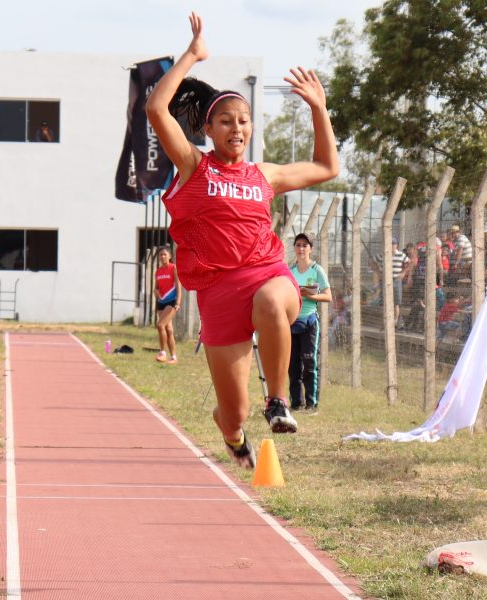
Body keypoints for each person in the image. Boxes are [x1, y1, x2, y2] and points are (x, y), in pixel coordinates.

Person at [145, 13, 338, 467]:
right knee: (234, 412)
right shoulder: (194, 166)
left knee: (273, 301)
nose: (237, 129)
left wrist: (318, 108)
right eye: (227, 122)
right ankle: (233, 434)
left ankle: (278, 400)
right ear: (208, 131)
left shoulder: (264, 175)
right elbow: (156, 109)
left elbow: (327, 167)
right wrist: (192, 55)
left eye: (245, 121)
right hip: (218, 293)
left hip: (266, 273)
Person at [288, 233, 330, 410]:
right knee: (292, 365)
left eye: (305, 245)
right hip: (292, 322)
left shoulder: (317, 270)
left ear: (311, 248)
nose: (301, 248)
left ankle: (311, 404)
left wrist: (309, 294)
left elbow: (328, 296)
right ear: (294, 248)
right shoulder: (290, 271)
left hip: (310, 322)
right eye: (298, 245)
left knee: (309, 363)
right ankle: (296, 403)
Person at [154, 247, 180, 364]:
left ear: (169, 256)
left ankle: (162, 353)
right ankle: (174, 357)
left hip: (171, 302)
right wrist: (155, 291)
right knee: (168, 329)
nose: (162, 257)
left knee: (160, 325)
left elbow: (179, 287)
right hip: (161, 302)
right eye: (160, 255)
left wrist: (178, 303)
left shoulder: (173, 268)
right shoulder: (158, 271)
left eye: (164, 254)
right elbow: (156, 287)